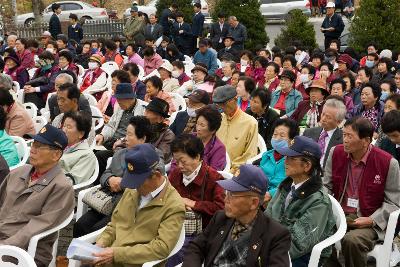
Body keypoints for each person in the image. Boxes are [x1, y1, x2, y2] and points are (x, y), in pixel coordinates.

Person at [86, 144, 185, 267]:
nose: (134, 187)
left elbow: (161, 248)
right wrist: (100, 244)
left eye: (138, 182)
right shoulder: (132, 190)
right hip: (110, 258)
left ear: (157, 175)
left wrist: (116, 254)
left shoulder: (174, 205)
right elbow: (115, 224)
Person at [324, 117, 400, 267]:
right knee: (317, 231)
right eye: (343, 135)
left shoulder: (388, 162)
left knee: (352, 241)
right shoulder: (336, 153)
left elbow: (394, 202)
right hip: (341, 214)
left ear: (366, 140)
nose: (344, 140)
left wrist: (372, 220)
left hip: (369, 219)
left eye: (349, 136)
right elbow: (326, 185)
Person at [183, 164, 291, 267]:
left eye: (232, 195)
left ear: (254, 203)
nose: (226, 199)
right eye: (227, 193)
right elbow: (196, 247)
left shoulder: (276, 235)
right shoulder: (220, 218)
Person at [0, 124, 74, 267]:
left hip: (26, 251)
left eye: (40, 146)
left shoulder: (61, 187)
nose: (32, 150)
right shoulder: (19, 172)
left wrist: (4, 246)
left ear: (56, 154)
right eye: (33, 144)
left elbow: (34, 229)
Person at [73, 116, 157, 237]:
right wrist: (110, 180)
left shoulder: (153, 157)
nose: (125, 139)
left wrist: (121, 183)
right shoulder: (121, 153)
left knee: (97, 231)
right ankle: (74, 255)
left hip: (127, 207)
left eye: (129, 135)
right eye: (126, 134)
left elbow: (147, 182)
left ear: (143, 138)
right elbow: (105, 174)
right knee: (80, 225)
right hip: (106, 201)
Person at [266, 136, 336, 266]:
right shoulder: (286, 185)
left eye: (291, 158)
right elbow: (267, 218)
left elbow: (299, 244)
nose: (285, 162)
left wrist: (265, 250)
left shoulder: (319, 201)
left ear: (307, 166)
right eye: (286, 157)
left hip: (302, 256)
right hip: (275, 245)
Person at [168, 134, 225, 264]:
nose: (180, 166)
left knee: (175, 252)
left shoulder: (213, 178)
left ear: (198, 157)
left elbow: (221, 209)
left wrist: (194, 203)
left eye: (183, 161)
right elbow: (166, 196)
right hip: (174, 225)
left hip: (201, 233)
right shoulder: (176, 173)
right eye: (177, 161)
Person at [214, 85, 258, 173]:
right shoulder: (218, 118)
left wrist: (231, 170)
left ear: (235, 99)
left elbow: (250, 154)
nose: (221, 107)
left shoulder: (250, 122)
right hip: (214, 166)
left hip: (235, 170)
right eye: (219, 104)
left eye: (224, 103)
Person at [257, 118, 299, 203]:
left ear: (292, 140)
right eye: (275, 134)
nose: (277, 138)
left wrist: (271, 194)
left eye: (282, 136)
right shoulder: (266, 155)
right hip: (259, 193)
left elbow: (292, 185)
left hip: (281, 199)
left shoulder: (294, 160)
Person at [303, 97, 345, 168]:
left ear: (339, 122)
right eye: (323, 114)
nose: (323, 119)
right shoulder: (308, 133)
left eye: (328, 117)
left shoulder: (343, 140)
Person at [60, 111, 97, 184]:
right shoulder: (58, 145)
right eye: (64, 126)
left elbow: (70, 182)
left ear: (81, 134)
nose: (63, 130)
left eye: (68, 127)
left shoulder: (87, 155)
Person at [195, 105, 227, 171]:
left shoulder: (219, 148)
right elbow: (175, 162)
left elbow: (213, 174)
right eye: (197, 123)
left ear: (213, 129)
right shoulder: (189, 138)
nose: (198, 128)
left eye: (202, 125)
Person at [145, 98, 175, 163]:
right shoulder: (141, 127)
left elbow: (160, 156)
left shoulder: (168, 135)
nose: (145, 115)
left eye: (148, 112)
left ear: (160, 119)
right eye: (145, 111)